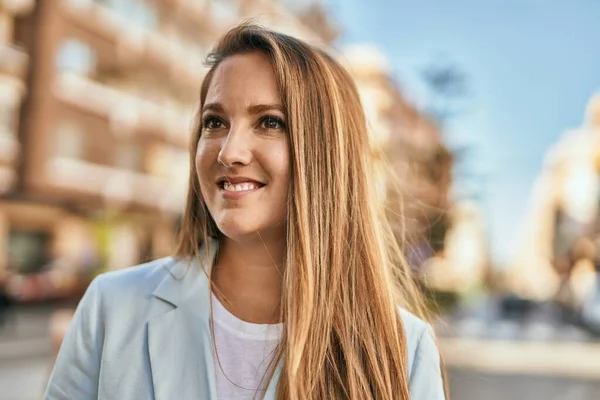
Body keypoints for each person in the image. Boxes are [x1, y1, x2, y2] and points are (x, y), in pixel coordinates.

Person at [45, 22, 448, 400]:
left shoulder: (403, 350)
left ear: (326, 153)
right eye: (214, 122)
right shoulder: (111, 307)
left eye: (270, 122)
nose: (229, 152)